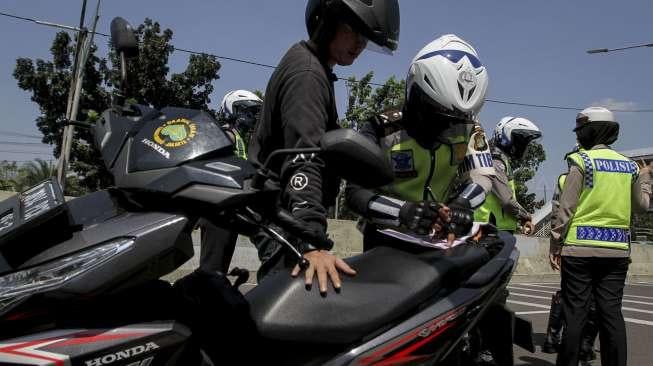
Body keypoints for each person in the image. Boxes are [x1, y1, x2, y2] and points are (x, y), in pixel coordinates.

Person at [248, 0, 400, 294]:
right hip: (285, 218)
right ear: (327, 22)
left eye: (365, 36)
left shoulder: (312, 67)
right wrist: (311, 241)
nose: (360, 44)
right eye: (353, 30)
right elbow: (304, 157)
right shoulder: (307, 75)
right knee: (291, 315)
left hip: (287, 216)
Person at [345, 33, 493, 252]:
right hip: (385, 242)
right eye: (438, 115)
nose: (447, 127)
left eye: (455, 120)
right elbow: (354, 193)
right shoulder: (382, 129)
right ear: (415, 94)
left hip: (441, 240)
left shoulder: (469, 127)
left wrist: (462, 204)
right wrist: (403, 211)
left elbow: (482, 176)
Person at [550, 106, 652, 366]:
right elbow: (641, 206)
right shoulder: (630, 167)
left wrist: (555, 244)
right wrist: (646, 179)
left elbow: (566, 209)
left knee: (576, 315)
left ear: (589, 132)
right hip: (617, 251)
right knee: (611, 315)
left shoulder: (581, 161)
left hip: (579, 250)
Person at [542, 145, 599, 365]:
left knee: (569, 294)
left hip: (572, 244)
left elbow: (558, 214)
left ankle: (552, 338)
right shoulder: (605, 178)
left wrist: (555, 245)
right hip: (602, 246)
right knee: (592, 298)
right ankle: (584, 346)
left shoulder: (565, 180)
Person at [197, 90, 263, 273]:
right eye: (249, 113)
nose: (253, 118)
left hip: (228, 212)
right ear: (234, 111)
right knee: (211, 269)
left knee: (219, 269)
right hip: (217, 214)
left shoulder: (239, 139)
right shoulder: (226, 136)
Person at [474, 117, 541, 234]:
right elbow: (506, 200)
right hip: (489, 229)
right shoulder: (495, 160)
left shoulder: (501, 159)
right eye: (520, 141)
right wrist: (525, 216)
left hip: (496, 228)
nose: (523, 146)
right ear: (505, 137)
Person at [218, 89, 263, 159]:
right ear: (237, 110)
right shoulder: (227, 135)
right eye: (253, 111)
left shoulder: (240, 136)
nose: (255, 117)